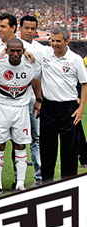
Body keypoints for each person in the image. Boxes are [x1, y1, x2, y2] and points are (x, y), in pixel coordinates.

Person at [0, 38, 42, 194]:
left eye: (19, 50)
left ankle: (20, 185)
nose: (15, 54)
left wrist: (39, 99)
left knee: (20, 145)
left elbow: (37, 77)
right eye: (12, 50)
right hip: (1, 109)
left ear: (23, 50)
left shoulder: (31, 64)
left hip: (21, 109)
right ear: (7, 50)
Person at [36, 27, 87, 183]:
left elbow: (84, 83)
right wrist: (39, 100)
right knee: (47, 149)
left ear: (67, 41)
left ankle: (67, 186)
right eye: (52, 40)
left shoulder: (75, 59)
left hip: (69, 108)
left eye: (58, 41)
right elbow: (27, 50)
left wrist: (81, 108)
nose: (55, 44)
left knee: (69, 151)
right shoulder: (45, 54)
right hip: (48, 107)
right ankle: (46, 185)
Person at [19, 14, 44, 185]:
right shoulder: (11, 46)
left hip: (31, 99)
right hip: (13, 101)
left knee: (36, 138)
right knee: (16, 141)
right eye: (26, 27)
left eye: (32, 28)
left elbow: (40, 76)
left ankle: (40, 178)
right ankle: (17, 179)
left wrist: (39, 98)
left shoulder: (41, 49)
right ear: (19, 28)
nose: (29, 31)